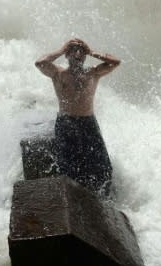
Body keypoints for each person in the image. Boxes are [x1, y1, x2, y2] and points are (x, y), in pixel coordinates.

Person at [35, 38, 121, 196]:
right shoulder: (58, 73)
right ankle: (72, 203)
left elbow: (115, 62)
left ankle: (105, 202)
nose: (77, 54)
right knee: (68, 168)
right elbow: (40, 63)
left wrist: (92, 51)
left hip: (88, 123)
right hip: (66, 123)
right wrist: (61, 50)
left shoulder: (93, 73)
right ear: (67, 55)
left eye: (81, 51)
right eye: (73, 50)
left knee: (103, 166)